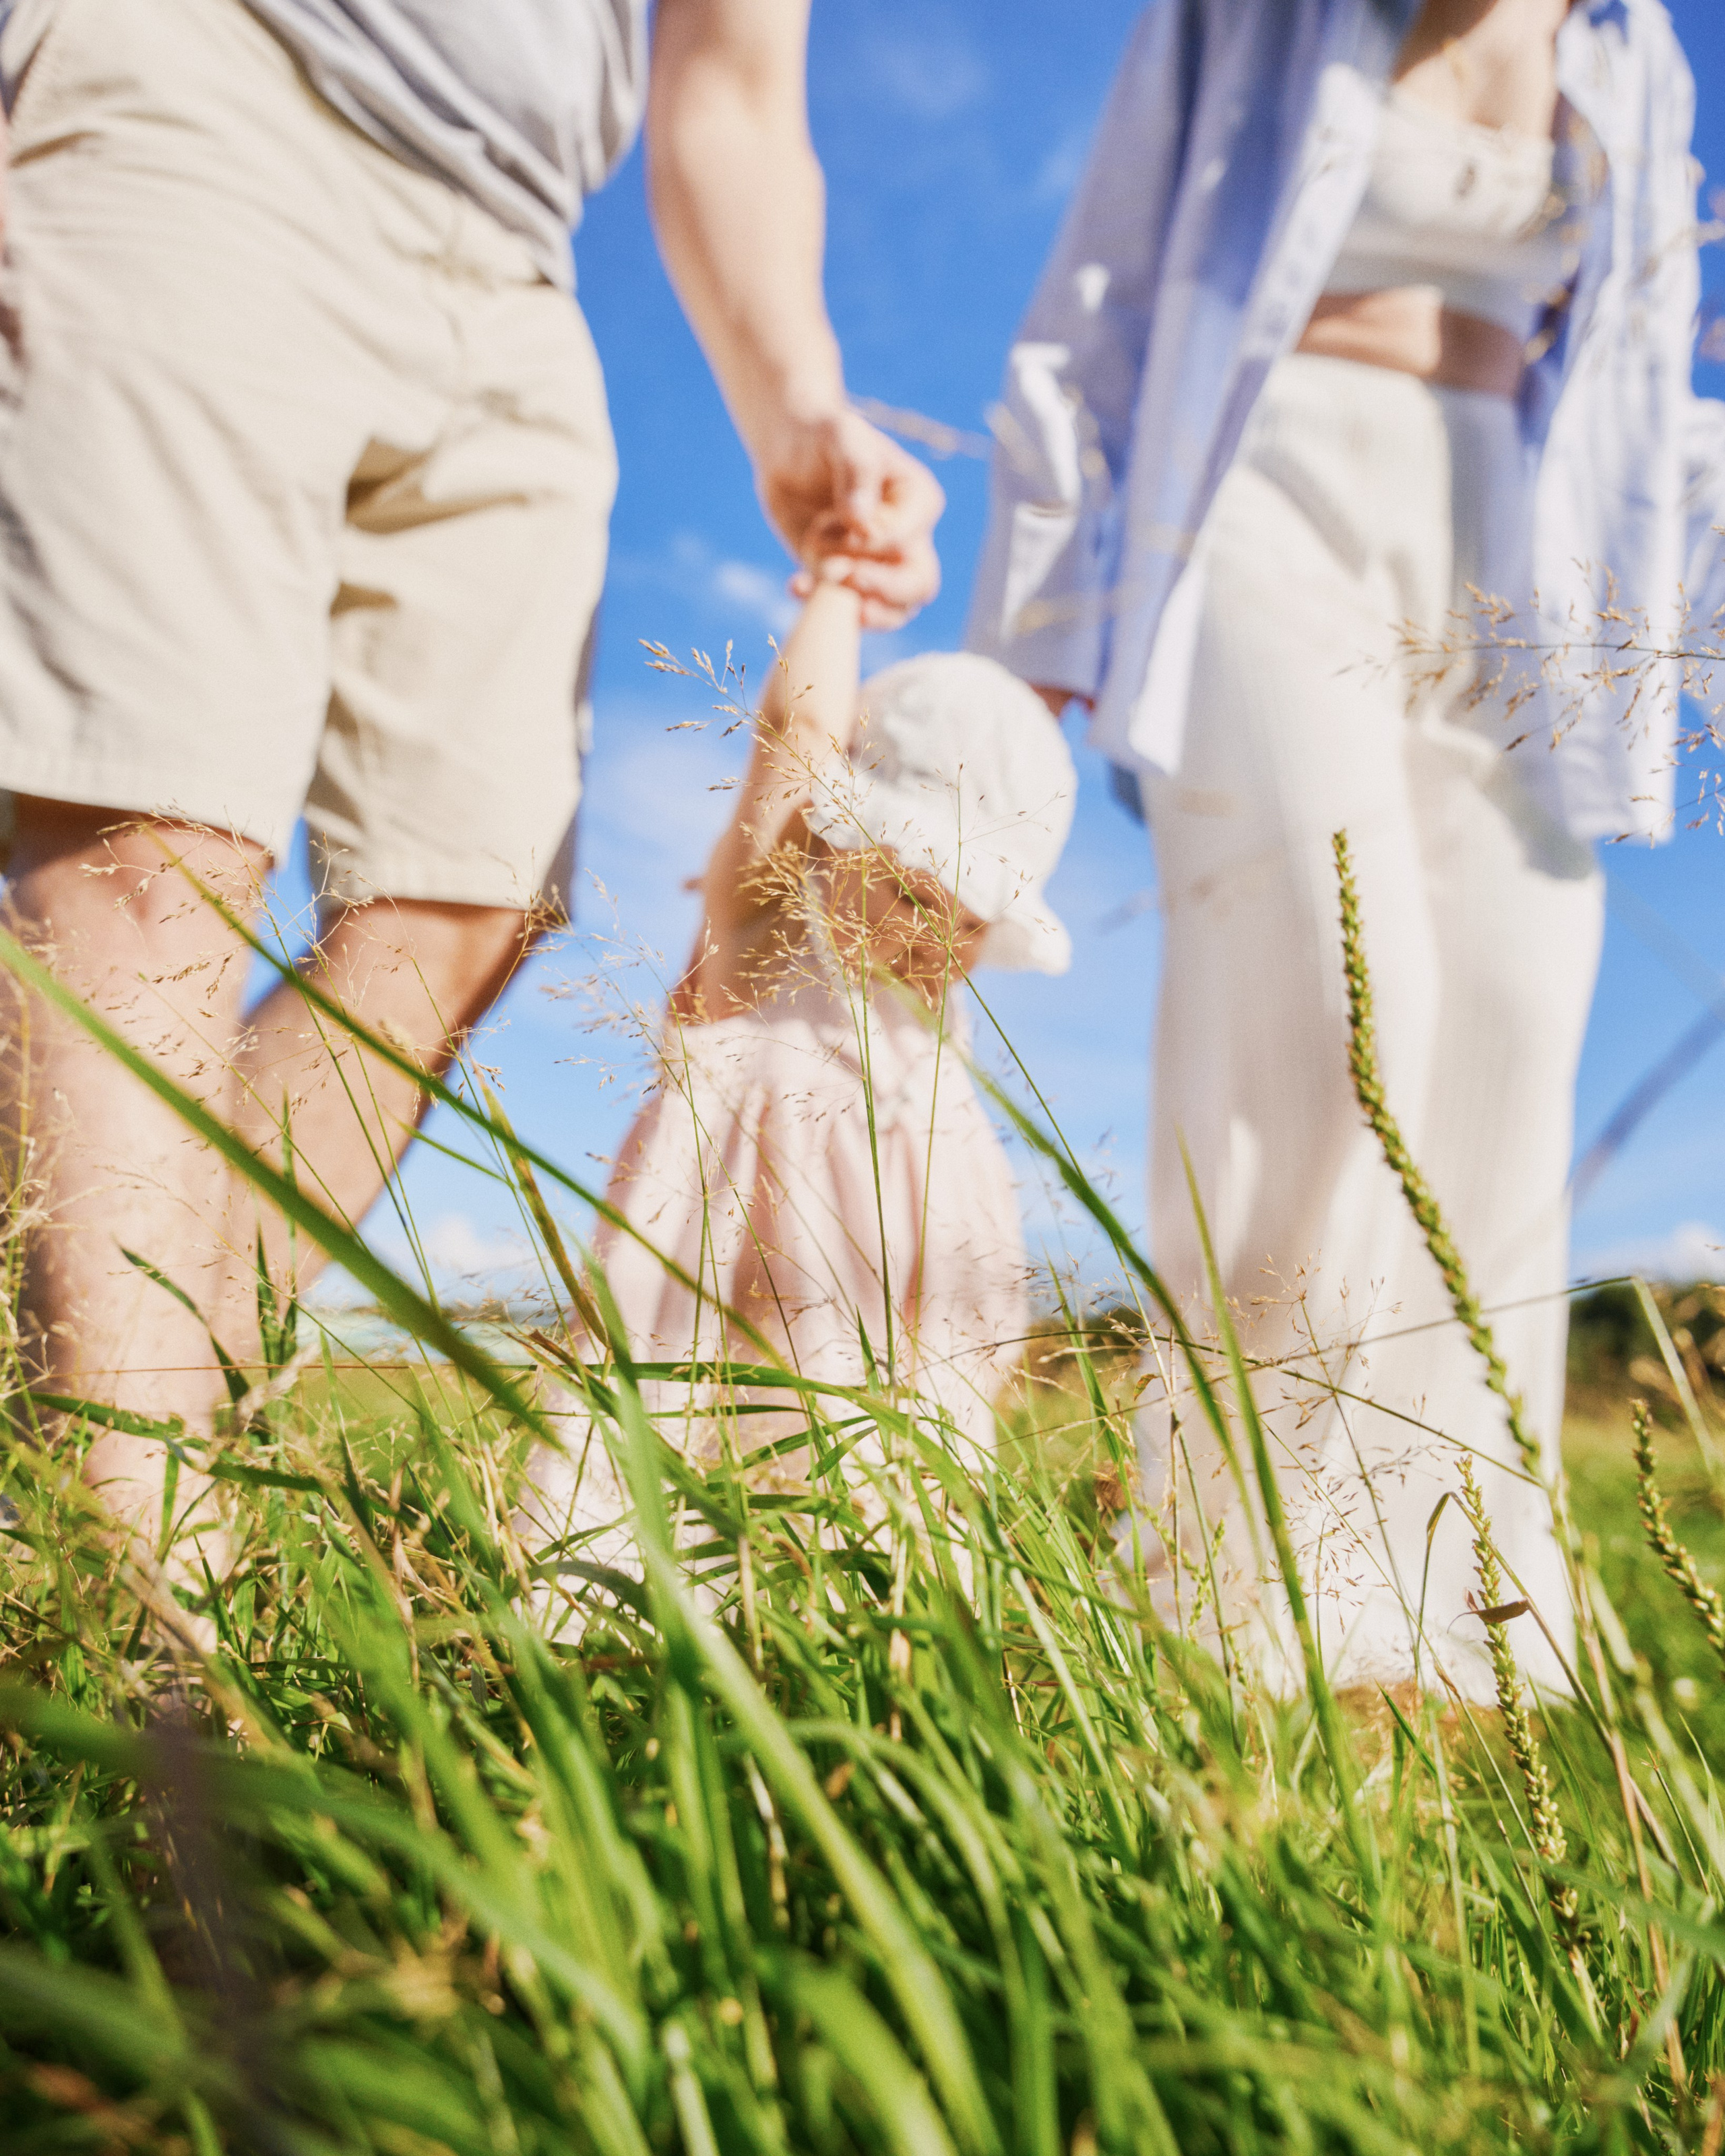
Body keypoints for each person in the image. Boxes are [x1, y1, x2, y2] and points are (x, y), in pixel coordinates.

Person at [0, 0, 944, 1540]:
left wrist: (798, 406)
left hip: (514, 259)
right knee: (151, 824)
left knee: (464, 896)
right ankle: (144, 1610)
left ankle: (65, 1441)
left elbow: (732, 83)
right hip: (194, 72)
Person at [968, 0, 1725, 1701]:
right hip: (1254, 497)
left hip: (1511, 550)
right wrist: (1028, 645)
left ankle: (1450, 1639)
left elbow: (1643, 396)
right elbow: (1095, 294)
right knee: (1327, 1005)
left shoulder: (1634, 53)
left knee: (1515, 1037)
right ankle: (1228, 1606)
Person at [520, 573, 1075, 1583]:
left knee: (880, 1502)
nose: (938, 944)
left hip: (890, 1319)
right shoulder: (771, 918)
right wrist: (838, 585)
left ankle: (875, 1618)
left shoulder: (929, 1021)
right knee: (693, 1466)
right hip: (740, 1281)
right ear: (834, 836)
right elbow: (795, 736)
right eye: (915, 892)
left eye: (970, 922)